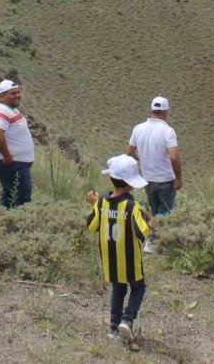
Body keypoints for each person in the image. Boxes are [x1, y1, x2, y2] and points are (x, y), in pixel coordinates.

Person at [86, 154, 153, 345]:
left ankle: (114, 327)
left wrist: (93, 206)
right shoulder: (132, 206)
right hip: (130, 260)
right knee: (139, 288)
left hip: (110, 259)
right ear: (130, 184)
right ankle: (127, 319)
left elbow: (91, 226)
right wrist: (150, 221)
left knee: (118, 289)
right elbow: (142, 232)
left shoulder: (101, 202)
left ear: (112, 178)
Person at [126, 96, 181, 254]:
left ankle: (152, 241)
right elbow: (174, 157)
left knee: (153, 210)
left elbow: (129, 152)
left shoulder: (138, 129)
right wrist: (179, 178)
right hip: (165, 179)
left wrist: (142, 159)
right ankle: (158, 244)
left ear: (152, 110)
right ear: (166, 112)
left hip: (147, 178)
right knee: (165, 213)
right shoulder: (168, 131)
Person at [0, 80, 35, 209]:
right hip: (12, 164)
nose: (17, 95)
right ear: (1, 97)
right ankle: (19, 226)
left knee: (9, 196)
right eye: (12, 93)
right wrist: (6, 156)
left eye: (18, 92)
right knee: (22, 199)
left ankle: (5, 222)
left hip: (14, 164)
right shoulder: (1, 112)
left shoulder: (8, 109)